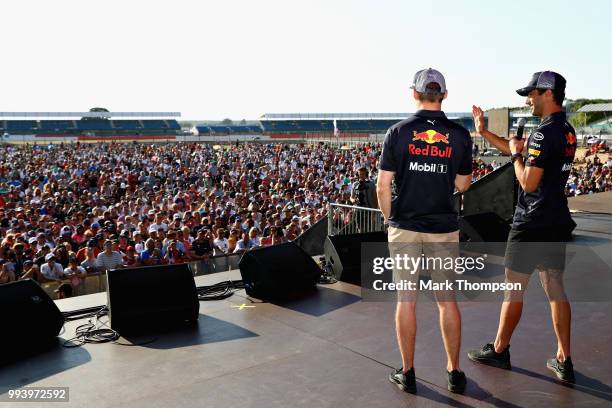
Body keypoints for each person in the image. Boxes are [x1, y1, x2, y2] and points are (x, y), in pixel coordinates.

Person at [468, 71, 577, 383]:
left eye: (530, 94)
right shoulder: (566, 130)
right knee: (555, 287)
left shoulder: (543, 133)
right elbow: (523, 153)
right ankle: (564, 358)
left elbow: (528, 181)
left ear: (546, 92)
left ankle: (500, 350)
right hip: (555, 218)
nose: (528, 100)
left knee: (513, 288)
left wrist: (516, 154)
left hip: (531, 222)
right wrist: (486, 134)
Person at [377, 68, 472, 394]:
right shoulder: (460, 134)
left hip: (405, 227)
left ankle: (408, 372)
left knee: (407, 300)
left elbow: (383, 186)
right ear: (443, 94)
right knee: (447, 301)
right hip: (443, 227)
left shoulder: (398, 132)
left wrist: (391, 220)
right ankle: (455, 372)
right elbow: (462, 184)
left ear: (415, 94)